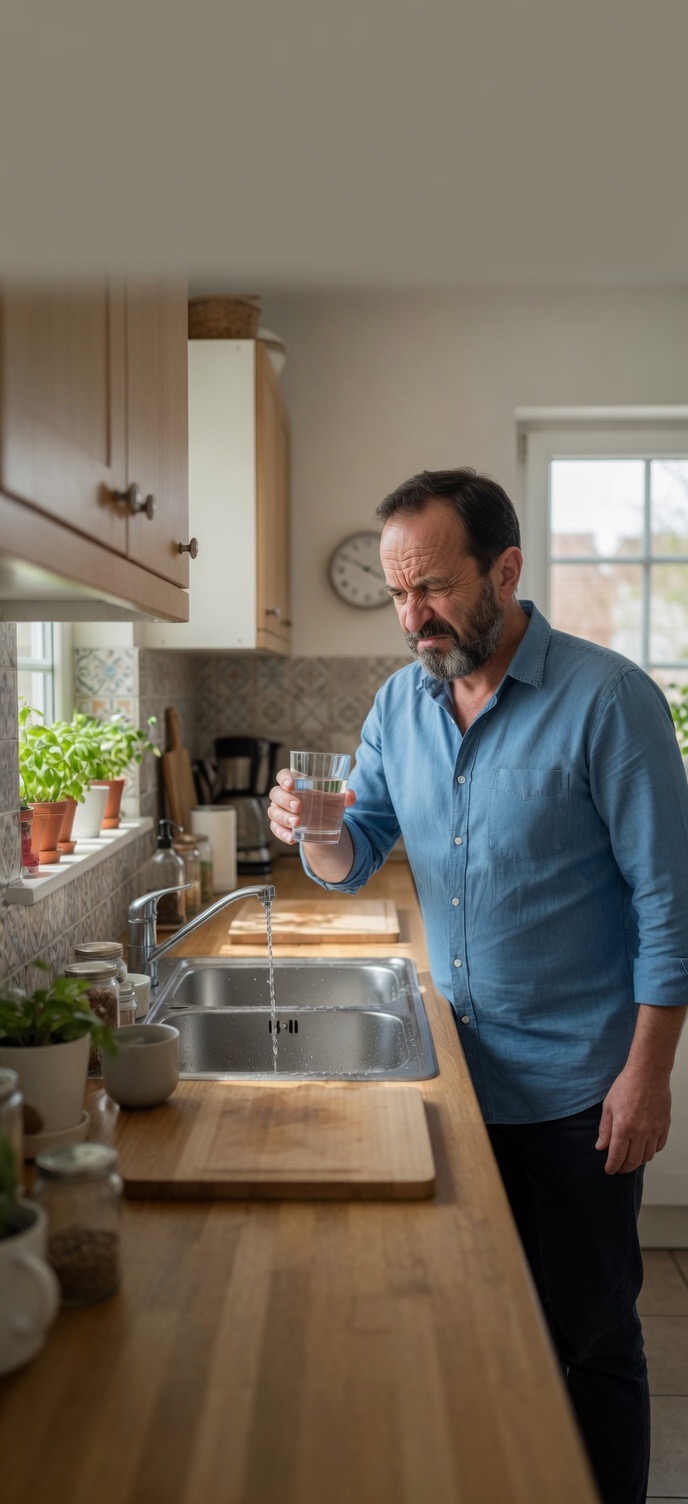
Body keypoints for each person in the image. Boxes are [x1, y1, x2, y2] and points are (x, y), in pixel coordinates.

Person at [268, 467, 688, 1504]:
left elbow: (671, 905)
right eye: (398, 593)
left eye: (434, 589)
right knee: (475, 1330)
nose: (412, 616)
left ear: (504, 567)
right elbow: (354, 852)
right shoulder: (396, 705)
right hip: (450, 1081)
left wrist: (647, 1075)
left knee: (588, 1337)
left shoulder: (607, 700)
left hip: (578, 1092)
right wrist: (315, 830)